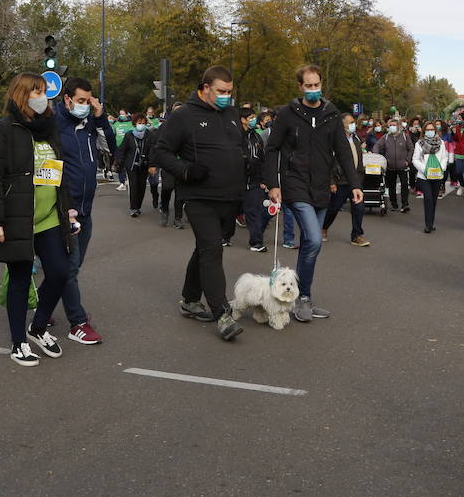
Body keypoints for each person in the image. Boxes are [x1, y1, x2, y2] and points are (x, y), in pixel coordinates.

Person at [0, 73, 82, 366]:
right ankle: (18, 342)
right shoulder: (4, 130)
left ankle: (37, 328)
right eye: (36, 92)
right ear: (21, 95)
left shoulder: (49, 128)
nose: (42, 97)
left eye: (44, 91)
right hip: (18, 219)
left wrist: (70, 210)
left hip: (50, 216)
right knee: (20, 278)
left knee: (61, 272)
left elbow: (59, 173)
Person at [151, 66, 247, 341]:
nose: (226, 97)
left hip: (228, 197)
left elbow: (236, 150)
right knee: (212, 249)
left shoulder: (230, 113)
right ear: (205, 88)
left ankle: (190, 299)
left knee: (205, 249)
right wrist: (186, 170)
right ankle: (222, 314)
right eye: (221, 92)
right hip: (198, 197)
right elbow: (160, 152)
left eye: (230, 92)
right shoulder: (183, 116)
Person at [265, 64, 363, 322]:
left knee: (311, 245)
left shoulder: (331, 115)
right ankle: (302, 298)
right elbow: (272, 148)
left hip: (321, 187)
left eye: (316, 85)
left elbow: (343, 151)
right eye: (308, 86)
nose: (313, 90)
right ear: (300, 87)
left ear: (321, 85)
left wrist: (354, 184)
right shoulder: (287, 114)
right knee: (315, 239)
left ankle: (301, 297)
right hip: (295, 184)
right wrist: (273, 183)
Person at [51, 77, 115, 345]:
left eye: (88, 101)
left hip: (86, 208)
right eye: (80, 101)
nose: (85, 106)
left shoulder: (90, 123)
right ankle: (77, 322)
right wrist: (63, 205)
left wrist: (100, 118)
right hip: (66, 209)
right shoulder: (53, 124)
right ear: (66, 99)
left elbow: (110, 148)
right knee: (70, 269)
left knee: (72, 266)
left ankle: (44, 303)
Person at [323, 114, 369, 246]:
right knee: (334, 207)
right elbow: (329, 162)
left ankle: (357, 235)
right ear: (342, 125)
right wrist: (331, 181)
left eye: (353, 122)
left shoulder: (355, 139)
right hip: (341, 180)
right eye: (350, 122)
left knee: (359, 208)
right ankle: (324, 227)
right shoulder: (335, 140)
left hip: (356, 181)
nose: (353, 124)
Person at [239, 107, 271, 251]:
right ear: (242, 119)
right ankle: (224, 236)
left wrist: (264, 179)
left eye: (254, 117)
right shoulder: (236, 136)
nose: (253, 120)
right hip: (238, 180)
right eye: (250, 117)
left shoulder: (256, 136)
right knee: (229, 211)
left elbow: (263, 159)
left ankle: (256, 242)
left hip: (254, 181)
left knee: (255, 211)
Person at [114, 113, 157, 218]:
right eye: (139, 123)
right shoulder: (129, 135)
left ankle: (138, 206)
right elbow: (122, 150)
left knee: (142, 186)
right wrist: (119, 162)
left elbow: (152, 151)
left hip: (144, 164)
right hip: (131, 165)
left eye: (143, 123)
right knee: (134, 185)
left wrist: (152, 165)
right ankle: (134, 208)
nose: (141, 125)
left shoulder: (149, 135)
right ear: (134, 124)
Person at [412, 123, 447, 233]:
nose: (430, 131)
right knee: (428, 199)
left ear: (435, 130)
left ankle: (431, 223)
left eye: (432, 129)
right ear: (424, 131)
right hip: (424, 177)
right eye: (427, 129)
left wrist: (441, 168)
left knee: (434, 200)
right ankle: (428, 225)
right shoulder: (419, 143)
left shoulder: (441, 143)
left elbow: (444, 157)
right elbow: (415, 159)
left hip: (437, 176)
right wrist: (425, 169)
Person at [375, 117, 412, 213]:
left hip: (402, 166)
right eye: (390, 125)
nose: (392, 127)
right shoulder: (386, 137)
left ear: (398, 126)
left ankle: (405, 204)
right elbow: (377, 146)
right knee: (391, 186)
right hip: (390, 166)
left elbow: (411, 149)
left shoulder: (405, 136)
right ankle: (394, 204)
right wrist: (375, 155)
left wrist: (407, 161)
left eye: (394, 125)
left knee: (404, 185)